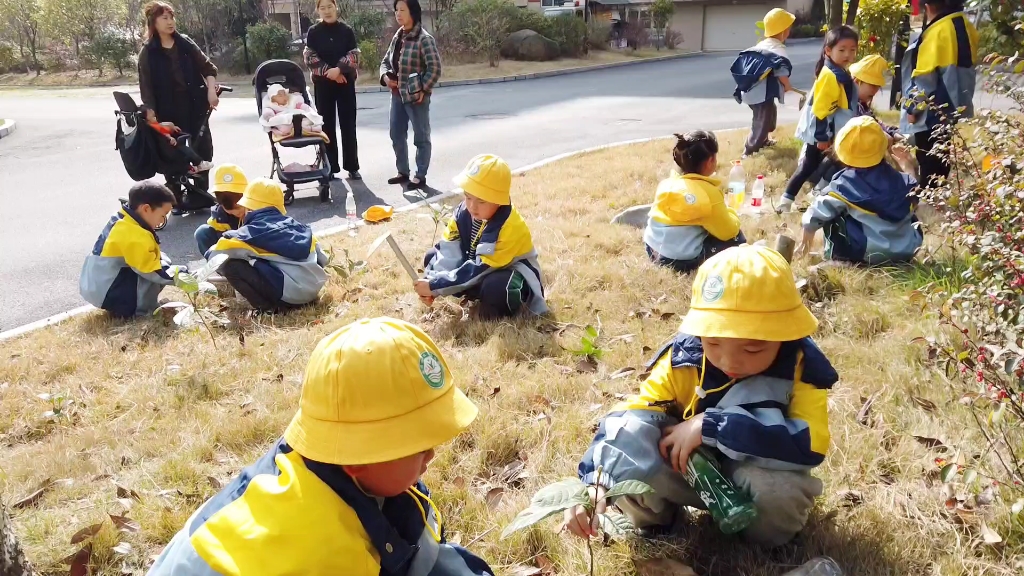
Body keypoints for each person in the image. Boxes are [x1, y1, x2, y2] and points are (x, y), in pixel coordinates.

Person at [147, 317, 495, 576]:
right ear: (359, 458)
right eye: (416, 445)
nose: (431, 453)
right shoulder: (324, 547)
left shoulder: (313, 463)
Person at [563, 244, 838, 547]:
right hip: (687, 469)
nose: (731, 361)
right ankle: (656, 522)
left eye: (752, 348)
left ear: (785, 335)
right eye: (714, 343)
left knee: (778, 492)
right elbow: (633, 418)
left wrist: (713, 426)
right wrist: (596, 481)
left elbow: (809, 445)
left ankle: (761, 541)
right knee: (631, 450)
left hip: (753, 472)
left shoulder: (800, 367)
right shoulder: (683, 359)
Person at [416, 154, 547, 320]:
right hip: (477, 274)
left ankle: (495, 313)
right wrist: (431, 281)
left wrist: (435, 286)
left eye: (482, 201)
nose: (472, 206)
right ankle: (477, 296)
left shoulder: (509, 226)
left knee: (497, 287)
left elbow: (479, 269)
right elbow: (449, 250)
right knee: (432, 257)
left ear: (499, 200)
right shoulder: (461, 214)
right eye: (468, 197)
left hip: (506, 276)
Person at [797, 116, 923, 265]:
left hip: (867, 253)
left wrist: (804, 247)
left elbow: (814, 215)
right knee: (908, 204)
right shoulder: (901, 179)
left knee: (832, 209)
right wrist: (908, 168)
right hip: (907, 249)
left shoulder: (843, 184)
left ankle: (841, 258)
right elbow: (913, 195)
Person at [138, 1, 219, 213]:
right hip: (168, 111)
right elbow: (146, 89)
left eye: (171, 17)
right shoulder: (148, 52)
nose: (170, 22)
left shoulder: (185, 43)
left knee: (201, 148)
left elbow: (208, 68)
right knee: (172, 152)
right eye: (164, 18)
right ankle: (174, 195)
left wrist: (211, 91)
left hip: (195, 106)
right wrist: (153, 118)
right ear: (153, 22)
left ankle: (199, 194)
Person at [206, 179, 328, 312]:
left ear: (249, 208)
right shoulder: (297, 226)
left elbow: (215, 257)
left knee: (231, 267)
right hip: (313, 290)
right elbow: (323, 258)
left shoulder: (248, 234)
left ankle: (269, 309)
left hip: (288, 297)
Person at [778, 25, 859, 213]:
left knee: (825, 163)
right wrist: (823, 136)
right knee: (811, 165)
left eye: (852, 50)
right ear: (828, 51)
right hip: (823, 132)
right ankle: (789, 201)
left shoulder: (838, 71)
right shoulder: (831, 75)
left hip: (831, 131)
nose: (848, 54)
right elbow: (821, 110)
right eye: (842, 50)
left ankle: (808, 196)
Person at [900, 0, 978, 189]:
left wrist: (912, 107)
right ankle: (940, 201)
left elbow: (924, 79)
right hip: (952, 106)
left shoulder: (938, 33)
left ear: (927, 6)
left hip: (930, 113)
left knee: (928, 164)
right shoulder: (966, 26)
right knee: (941, 159)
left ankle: (928, 206)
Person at [644, 131, 745, 273]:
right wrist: (731, 213)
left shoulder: (667, 183)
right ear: (710, 161)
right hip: (678, 260)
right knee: (737, 237)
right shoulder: (708, 193)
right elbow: (728, 232)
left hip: (652, 248)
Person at [80, 182, 185, 318]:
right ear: (146, 209)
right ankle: (144, 313)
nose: (163, 220)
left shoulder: (123, 219)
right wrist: (186, 277)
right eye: (163, 215)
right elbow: (152, 270)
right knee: (152, 274)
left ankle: (131, 304)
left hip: (97, 285)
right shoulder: (135, 235)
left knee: (161, 259)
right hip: (108, 292)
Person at [380, 0, 441, 191]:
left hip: (416, 97)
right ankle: (402, 172)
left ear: (412, 12)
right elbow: (385, 62)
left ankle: (420, 175)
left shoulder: (424, 39)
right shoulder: (398, 36)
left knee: (421, 137)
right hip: (397, 95)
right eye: (396, 10)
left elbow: (435, 68)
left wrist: (423, 89)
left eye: (402, 10)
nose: (398, 14)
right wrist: (385, 77)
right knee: (396, 134)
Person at [303, 0, 361, 180]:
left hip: (345, 83)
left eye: (329, 7)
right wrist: (331, 72)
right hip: (323, 84)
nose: (327, 11)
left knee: (348, 124)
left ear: (336, 7)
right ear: (317, 10)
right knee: (326, 125)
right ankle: (330, 166)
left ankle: (352, 166)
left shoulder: (346, 30)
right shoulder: (314, 32)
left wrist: (339, 69)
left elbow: (354, 54)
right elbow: (309, 56)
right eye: (322, 8)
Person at [731, 8, 796, 157]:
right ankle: (749, 150)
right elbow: (782, 73)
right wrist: (788, 89)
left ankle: (764, 140)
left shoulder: (762, 45)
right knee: (761, 122)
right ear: (783, 32)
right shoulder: (778, 51)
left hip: (751, 91)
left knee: (768, 117)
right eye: (788, 29)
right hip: (760, 94)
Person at [194, 164, 248, 257]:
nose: (237, 213)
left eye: (239, 207)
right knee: (202, 232)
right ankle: (216, 265)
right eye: (230, 210)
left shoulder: (257, 208)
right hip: (231, 253)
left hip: (253, 253)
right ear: (220, 204)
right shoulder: (219, 218)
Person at [140, 105, 213, 173]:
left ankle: (191, 168)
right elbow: (162, 133)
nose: (152, 112)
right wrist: (169, 138)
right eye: (151, 114)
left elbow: (162, 127)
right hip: (169, 148)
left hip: (165, 150)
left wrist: (172, 127)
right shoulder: (153, 127)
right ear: (147, 118)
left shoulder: (150, 125)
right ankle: (199, 163)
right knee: (186, 150)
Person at [260, 84, 324, 139]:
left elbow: (301, 106)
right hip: (284, 121)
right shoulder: (273, 106)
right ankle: (277, 131)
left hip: (297, 116)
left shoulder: (292, 101)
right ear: (273, 99)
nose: (284, 97)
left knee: (308, 119)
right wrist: (269, 115)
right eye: (280, 96)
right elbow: (268, 113)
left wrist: (305, 108)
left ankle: (312, 128)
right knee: (284, 127)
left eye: (284, 94)